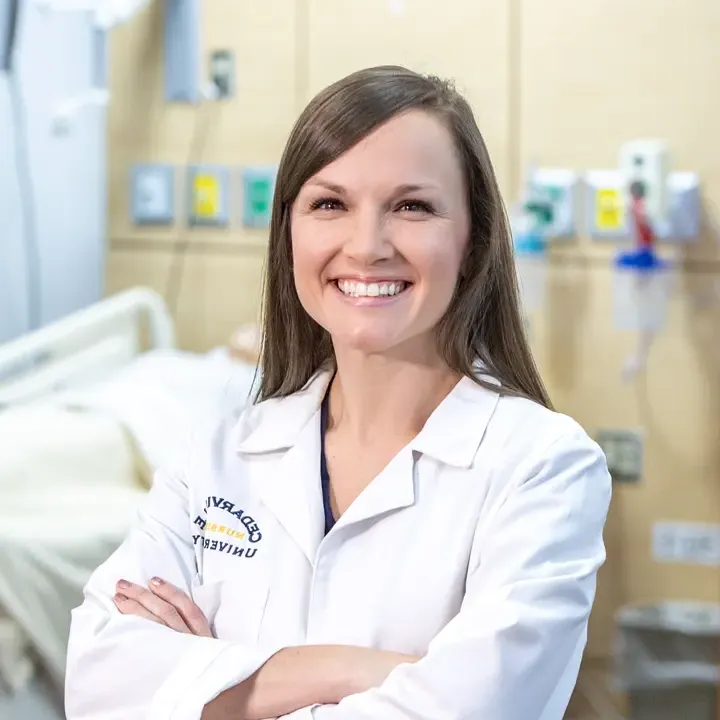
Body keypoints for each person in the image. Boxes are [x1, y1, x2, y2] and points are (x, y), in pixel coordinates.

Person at [65, 65, 611, 720]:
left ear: (474, 241)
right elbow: (96, 680)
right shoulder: (218, 456)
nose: (367, 245)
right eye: (330, 204)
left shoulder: (543, 468)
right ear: (289, 231)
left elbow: (476, 709)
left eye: (413, 206)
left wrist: (205, 690)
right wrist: (347, 668)